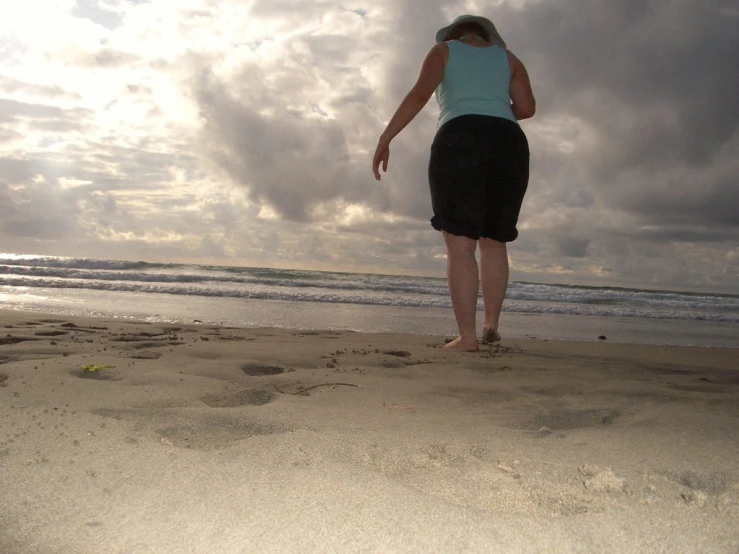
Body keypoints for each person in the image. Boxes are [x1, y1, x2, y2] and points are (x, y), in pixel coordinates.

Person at [372, 14, 535, 351]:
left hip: (460, 136)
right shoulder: (509, 58)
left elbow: (419, 95)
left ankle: (468, 338)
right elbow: (527, 108)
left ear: (454, 35)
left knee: (460, 245)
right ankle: (491, 327)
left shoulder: (443, 51)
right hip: (509, 141)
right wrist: (495, 112)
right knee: (494, 239)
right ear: (488, 37)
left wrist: (385, 138)